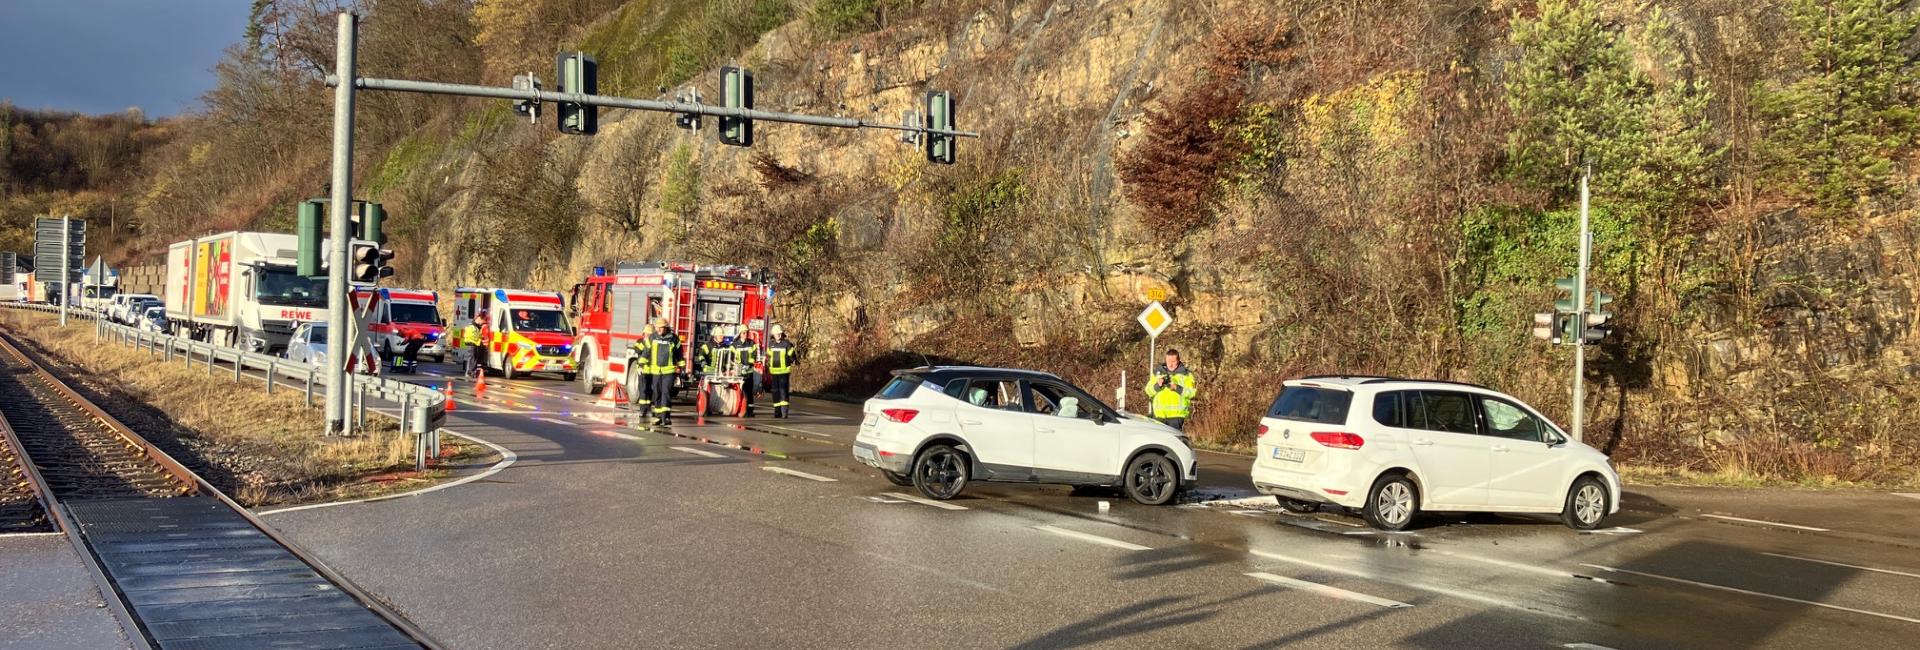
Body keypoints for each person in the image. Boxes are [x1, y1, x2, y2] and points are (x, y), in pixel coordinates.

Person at [630, 317, 680, 426]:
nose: (659, 330)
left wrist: (682, 367)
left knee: (666, 393)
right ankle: (658, 416)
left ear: (666, 328)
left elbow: (679, 354)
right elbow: (646, 352)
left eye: (661, 328)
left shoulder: (674, 339)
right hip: (656, 371)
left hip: (669, 371)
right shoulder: (652, 338)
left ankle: (666, 417)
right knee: (657, 393)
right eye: (657, 328)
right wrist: (641, 364)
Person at [1144, 348, 1196, 430]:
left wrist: (1177, 388)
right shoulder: (1158, 373)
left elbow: (1192, 393)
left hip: (1176, 417)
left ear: (1178, 360)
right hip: (1159, 416)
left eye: (1173, 362)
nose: (1170, 364)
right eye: (1168, 361)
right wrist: (1158, 385)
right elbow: (1148, 391)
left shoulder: (1186, 375)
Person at [765, 324, 796, 418]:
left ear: (782, 334)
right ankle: (777, 412)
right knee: (775, 392)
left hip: (784, 372)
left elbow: (792, 357)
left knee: (783, 392)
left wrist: (789, 361)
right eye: (776, 334)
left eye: (779, 334)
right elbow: (769, 357)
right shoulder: (771, 345)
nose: (778, 335)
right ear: (773, 335)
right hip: (774, 372)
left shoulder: (787, 344)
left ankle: (784, 412)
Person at [730, 326, 761, 416]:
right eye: (743, 332)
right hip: (739, 372)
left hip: (749, 371)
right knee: (740, 391)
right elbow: (731, 357)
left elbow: (755, 355)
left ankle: (750, 411)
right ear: (740, 334)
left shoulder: (752, 343)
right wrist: (737, 365)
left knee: (749, 391)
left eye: (746, 332)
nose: (745, 334)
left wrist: (750, 364)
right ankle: (740, 409)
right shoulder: (735, 344)